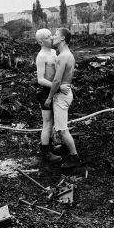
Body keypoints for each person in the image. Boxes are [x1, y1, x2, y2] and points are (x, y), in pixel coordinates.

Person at [44, 28, 80, 169]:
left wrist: (49, 98)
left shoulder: (62, 57)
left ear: (63, 38)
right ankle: (67, 148)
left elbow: (57, 80)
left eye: (56, 35)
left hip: (61, 96)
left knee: (62, 129)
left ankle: (74, 157)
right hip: (66, 93)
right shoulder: (68, 55)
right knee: (61, 127)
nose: (53, 37)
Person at [35, 28, 69, 163]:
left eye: (51, 36)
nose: (51, 38)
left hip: (55, 90)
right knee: (47, 123)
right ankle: (46, 152)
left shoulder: (54, 52)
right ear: (41, 41)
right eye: (48, 37)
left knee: (56, 121)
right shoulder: (41, 56)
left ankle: (51, 146)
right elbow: (40, 79)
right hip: (45, 91)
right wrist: (57, 86)